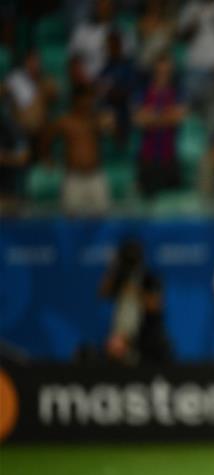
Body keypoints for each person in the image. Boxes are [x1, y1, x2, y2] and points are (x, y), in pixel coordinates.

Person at [42, 87, 114, 215]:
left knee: (103, 216)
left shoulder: (96, 120)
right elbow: (47, 136)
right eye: (84, 100)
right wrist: (47, 157)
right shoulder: (66, 121)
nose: (87, 103)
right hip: (73, 177)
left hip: (94, 175)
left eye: (89, 100)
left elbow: (113, 135)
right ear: (75, 101)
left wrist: (108, 125)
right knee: (71, 218)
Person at [100, 239, 172, 365]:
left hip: (146, 338)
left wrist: (134, 292)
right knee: (112, 349)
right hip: (121, 336)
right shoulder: (120, 278)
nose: (130, 263)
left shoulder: (148, 278)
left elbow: (156, 305)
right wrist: (113, 268)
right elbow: (103, 293)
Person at [135, 57, 185, 198]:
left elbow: (178, 118)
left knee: (172, 205)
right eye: (160, 71)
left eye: (167, 71)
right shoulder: (144, 92)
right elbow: (139, 120)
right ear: (154, 72)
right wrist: (166, 115)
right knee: (146, 206)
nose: (163, 74)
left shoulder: (177, 93)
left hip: (169, 156)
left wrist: (152, 116)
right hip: (148, 157)